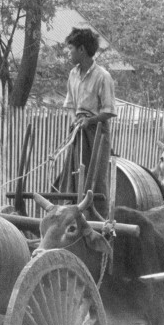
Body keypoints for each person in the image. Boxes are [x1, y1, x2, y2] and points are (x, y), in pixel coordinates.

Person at [54, 27, 116, 215]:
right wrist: (75, 121)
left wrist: (89, 121)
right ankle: (70, 213)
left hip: (96, 132)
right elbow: (71, 104)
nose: (69, 53)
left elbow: (109, 111)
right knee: (72, 175)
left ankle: (98, 218)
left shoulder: (103, 76)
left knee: (95, 178)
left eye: (71, 49)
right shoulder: (73, 74)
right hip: (78, 130)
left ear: (82, 50)